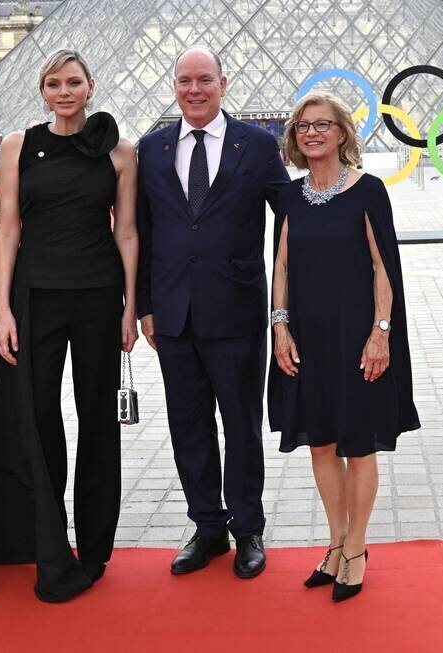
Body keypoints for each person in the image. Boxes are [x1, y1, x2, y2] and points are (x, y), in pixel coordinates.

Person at [0, 49, 138, 603]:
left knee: (97, 418)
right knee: (38, 420)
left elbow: (126, 233)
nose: (64, 91)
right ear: (42, 91)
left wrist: (129, 305)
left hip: (98, 296)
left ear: (91, 86)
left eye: (74, 82)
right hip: (34, 298)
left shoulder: (120, 151)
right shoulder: (16, 146)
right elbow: (7, 229)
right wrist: (1, 308)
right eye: (54, 83)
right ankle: (52, 550)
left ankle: (95, 547)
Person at [135, 47, 289, 579]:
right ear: (173, 85)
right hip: (173, 317)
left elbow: (289, 225)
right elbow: (142, 232)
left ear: (224, 83)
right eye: (184, 81)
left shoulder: (260, 146)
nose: (194, 90)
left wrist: (289, 308)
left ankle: (248, 529)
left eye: (204, 80)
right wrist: (146, 307)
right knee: (189, 427)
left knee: (242, 426)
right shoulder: (151, 149)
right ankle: (207, 527)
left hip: (238, 312)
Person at [267, 92, 420, 602]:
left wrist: (382, 332)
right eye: (303, 126)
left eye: (322, 125)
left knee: (358, 442)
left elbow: (384, 267)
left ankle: (356, 548)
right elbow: (281, 266)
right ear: (294, 137)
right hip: (307, 337)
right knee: (321, 442)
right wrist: (280, 328)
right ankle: (334, 543)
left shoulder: (369, 191)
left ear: (342, 133)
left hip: (357, 336)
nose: (312, 133)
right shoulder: (288, 197)